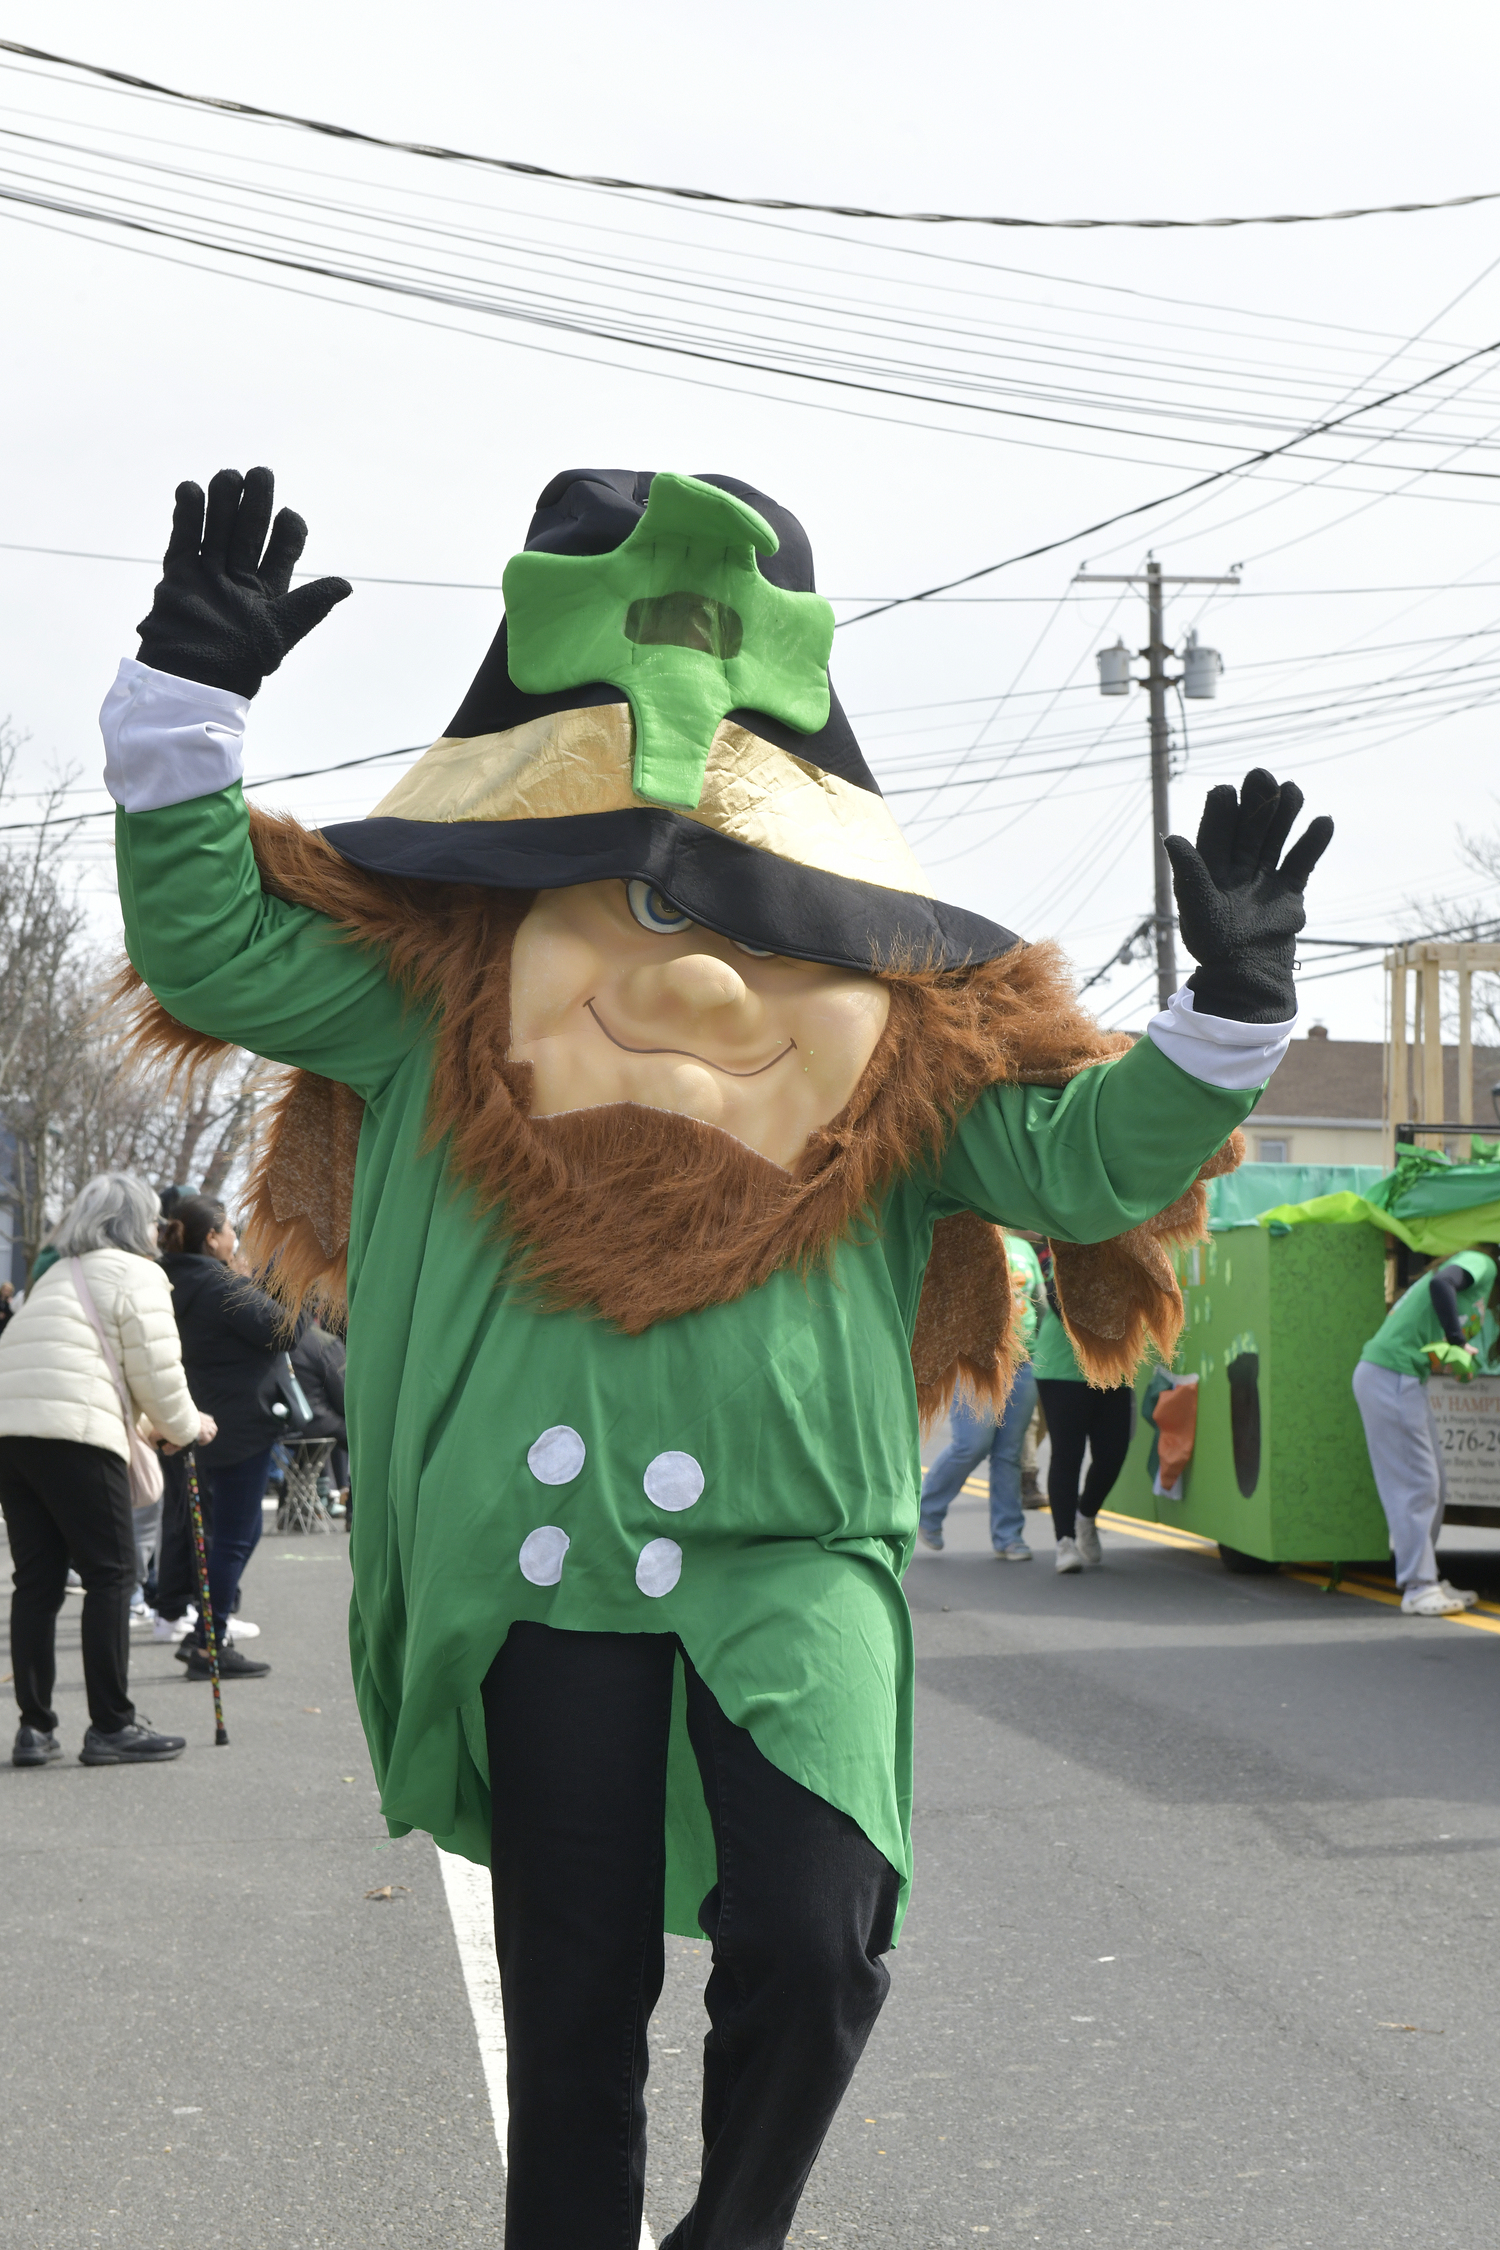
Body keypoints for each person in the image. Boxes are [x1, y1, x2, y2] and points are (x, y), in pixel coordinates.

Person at [102, 461, 1330, 2246]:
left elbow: (1081, 1162)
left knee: (822, 1942)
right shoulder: (437, 970)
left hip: (793, 1554)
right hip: (548, 1568)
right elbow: (210, 942)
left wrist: (1226, 1015)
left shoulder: (903, 1011)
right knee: (576, 2018)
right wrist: (188, 701)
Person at [0, 1172, 212, 1765]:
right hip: (77, 1439)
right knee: (113, 1573)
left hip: (13, 1435)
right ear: (135, 1222)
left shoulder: (53, 1278)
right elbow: (158, 1372)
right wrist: (187, 1427)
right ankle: (111, 1725)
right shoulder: (136, 1273)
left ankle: (34, 1728)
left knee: (37, 1583)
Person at [159, 1194, 286, 1680]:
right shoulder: (218, 1283)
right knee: (234, 1533)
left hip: (193, 1417)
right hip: (237, 1424)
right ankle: (210, 1640)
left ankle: (204, 1631)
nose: (235, 1238)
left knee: (226, 1531)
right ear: (212, 1238)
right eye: (230, 1229)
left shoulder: (169, 1278)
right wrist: (286, 1282)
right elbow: (283, 1330)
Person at [1352, 1247, 1494, 1615]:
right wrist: (1457, 1339)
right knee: (1418, 1484)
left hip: (1399, 1376)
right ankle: (1418, 1587)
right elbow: (1444, 1285)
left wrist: (1457, 1354)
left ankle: (1426, 1576)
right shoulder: (1483, 1263)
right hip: (1391, 1375)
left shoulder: (1477, 1271)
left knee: (1436, 1483)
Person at [918, 1230, 1046, 1558]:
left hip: (1022, 1364)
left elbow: (1040, 1302)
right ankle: (926, 1511)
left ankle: (1009, 1536)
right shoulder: (971, 1238)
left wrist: (1034, 1345)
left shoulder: (1024, 1249)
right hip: (978, 1364)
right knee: (971, 1445)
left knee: (1009, 1454)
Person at [1031, 1253, 1137, 1575]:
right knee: (1068, 1454)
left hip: (1113, 1368)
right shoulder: (1063, 1242)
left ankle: (1086, 1515)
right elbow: (1059, 1298)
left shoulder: (1124, 1239)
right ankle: (1064, 1541)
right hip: (1064, 1368)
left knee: (1113, 1452)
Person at [291, 1319, 348, 1497]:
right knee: (365, 1439)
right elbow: (342, 1391)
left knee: (302, 1458)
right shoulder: (321, 1341)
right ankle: (354, 1510)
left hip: (287, 1421)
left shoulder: (275, 1335)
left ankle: (292, 1507)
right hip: (316, 1419)